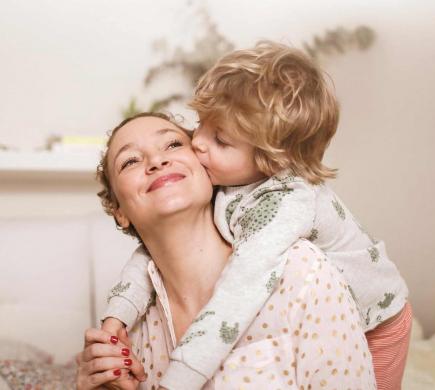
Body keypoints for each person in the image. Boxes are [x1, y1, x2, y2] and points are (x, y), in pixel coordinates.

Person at [101, 42, 411, 389]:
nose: (198, 143)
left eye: (219, 139)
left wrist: (177, 380)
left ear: (270, 161)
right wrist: (117, 314)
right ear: (119, 211)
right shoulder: (228, 178)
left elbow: (239, 291)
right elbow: (150, 254)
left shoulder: (285, 213)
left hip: (381, 321)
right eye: (200, 125)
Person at [76, 112, 376, 389]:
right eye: (130, 161)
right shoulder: (128, 335)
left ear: (207, 169)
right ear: (119, 211)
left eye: (172, 144)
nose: (156, 161)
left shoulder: (301, 271)